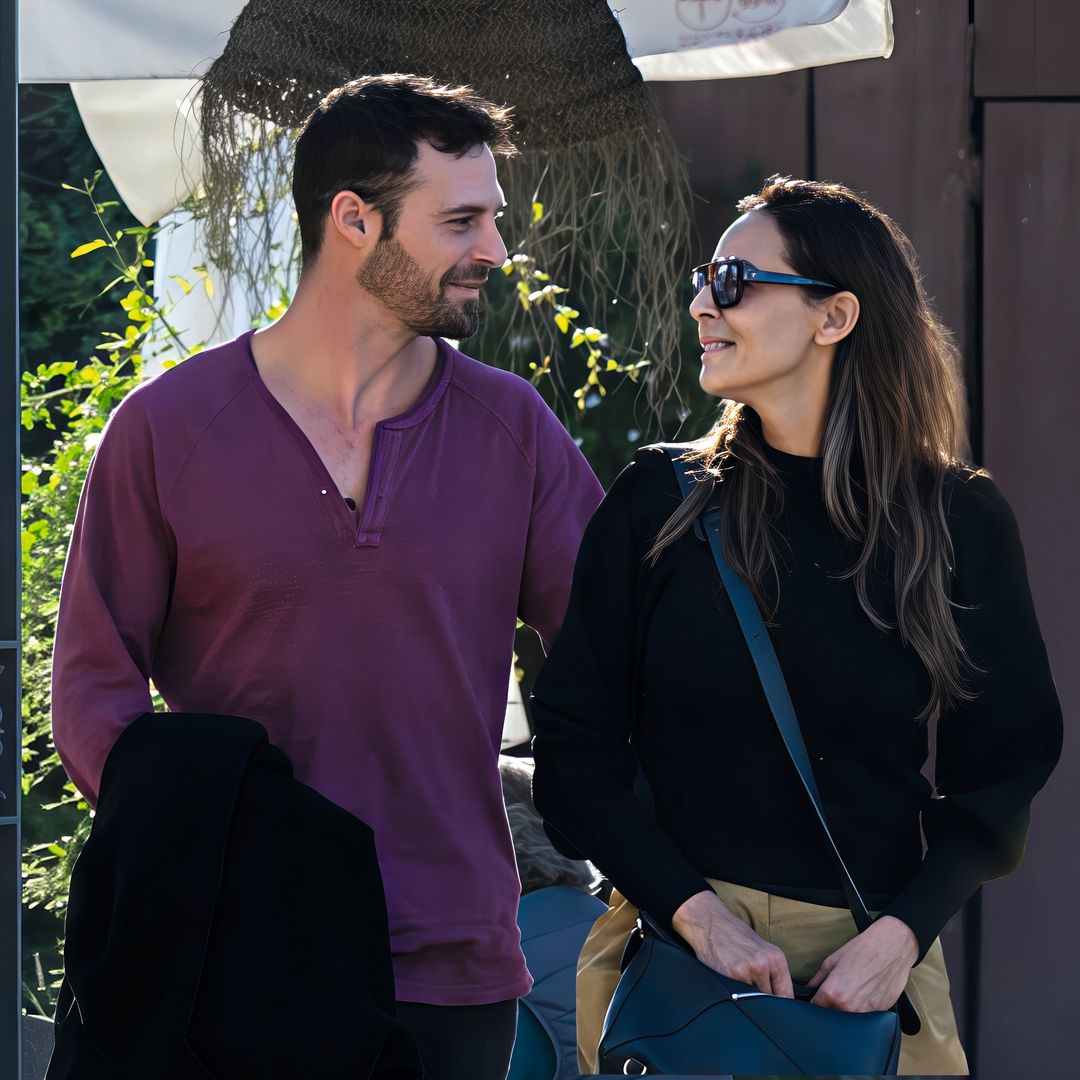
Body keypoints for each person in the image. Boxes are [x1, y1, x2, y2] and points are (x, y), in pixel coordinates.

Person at [51, 74, 604, 1080]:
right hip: (237, 961)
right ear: (354, 219)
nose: (494, 251)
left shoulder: (515, 429)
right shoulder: (167, 432)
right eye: (462, 221)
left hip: (452, 962)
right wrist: (204, 843)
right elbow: (92, 693)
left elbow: (616, 658)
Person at [529, 176, 1063, 1076]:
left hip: (872, 974)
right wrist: (696, 914)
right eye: (705, 277)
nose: (701, 302)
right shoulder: (657, 504)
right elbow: (576, 758)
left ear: (835, 316)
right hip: (675, 967)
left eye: (734, 279)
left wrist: (901, 936)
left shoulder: (956, 519)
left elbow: (1004, 768)